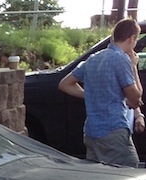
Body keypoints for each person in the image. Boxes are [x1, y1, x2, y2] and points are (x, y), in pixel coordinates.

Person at [58, 17, 145, 166]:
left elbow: (65, 84)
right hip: (113, 130)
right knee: (129, 170)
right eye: (136, 40)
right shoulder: (121, 59)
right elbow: (135, 99)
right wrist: (133, 67)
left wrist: (90, 95)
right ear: (131, 38)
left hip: (91, 132)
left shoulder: (93, 59)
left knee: (99, 173)